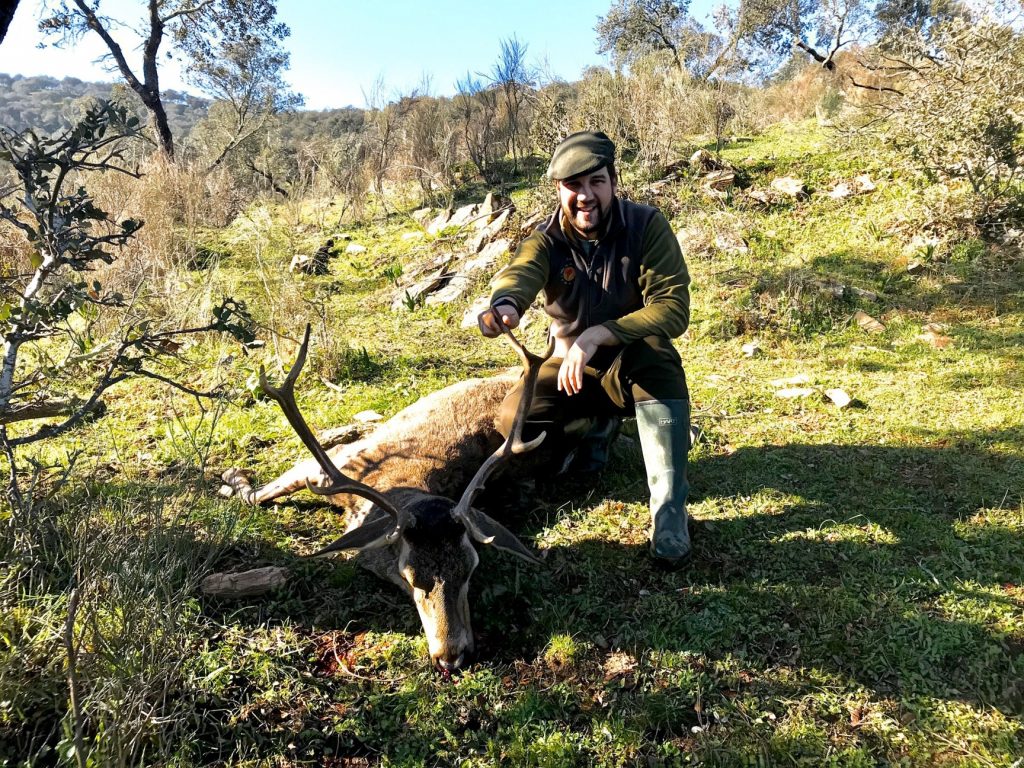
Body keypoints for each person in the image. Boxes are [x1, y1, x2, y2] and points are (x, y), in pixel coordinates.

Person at [477, 131, 693, 567]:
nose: (585, 196)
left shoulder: (647, 225)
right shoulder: (546, 239)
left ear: (613, 181)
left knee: (658, 353)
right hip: (572, 371)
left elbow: (673, 309)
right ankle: (593, 431)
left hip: (632, 366)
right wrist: (504, 305)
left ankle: (670, 512)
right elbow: (518, 274)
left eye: (595, 182)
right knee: (514, 419)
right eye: (573, 186)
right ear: (559, 189)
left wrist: (599, 335)